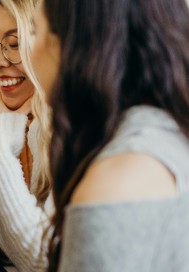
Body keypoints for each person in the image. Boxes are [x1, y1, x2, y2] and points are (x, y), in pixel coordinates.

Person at [31, 0, 189, 270]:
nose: (29, 51)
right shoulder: (167, 133)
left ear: (71, 45)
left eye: (34, 30)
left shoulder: (117, 181)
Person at [0, 0, 53, 271]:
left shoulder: (80, 126)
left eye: (14, 44)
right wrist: (9, 238)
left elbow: (46, 261)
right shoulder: (45, 126)